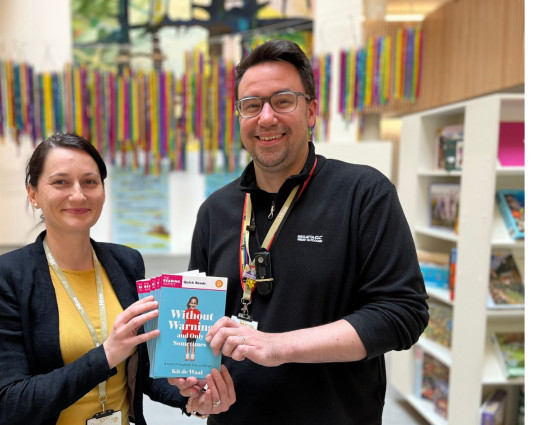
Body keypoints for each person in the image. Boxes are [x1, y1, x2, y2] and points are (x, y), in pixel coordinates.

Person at [170, 39, 429, 424]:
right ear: (239, 116)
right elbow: (196, 327)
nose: (266, 118)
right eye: (252, 105)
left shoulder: (363, 194)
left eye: (283, 100)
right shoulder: (216, 211)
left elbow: (402, 312)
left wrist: (279, 347)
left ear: (311, 111)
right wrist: (191, 380)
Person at [0, 133, 235, 425]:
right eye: (60, 182)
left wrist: (192, 396)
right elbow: (10, 402)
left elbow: (144, 369)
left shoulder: (125, 262)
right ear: (33, 193)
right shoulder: (10, 277)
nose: (78, 194)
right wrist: (106, 356)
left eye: (90, 181)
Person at [183, 296, 201, 361]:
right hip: (188, 329)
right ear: (189, 303)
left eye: (194, 303)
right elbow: (186, 320)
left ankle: (193, 355)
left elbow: (198, 320)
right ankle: (187, 354)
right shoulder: (186, 311)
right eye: (192, 303)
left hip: (195, 329)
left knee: (193, 342)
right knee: (188, 342)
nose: (193, 304)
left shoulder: (198, 312)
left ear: (197, 304)